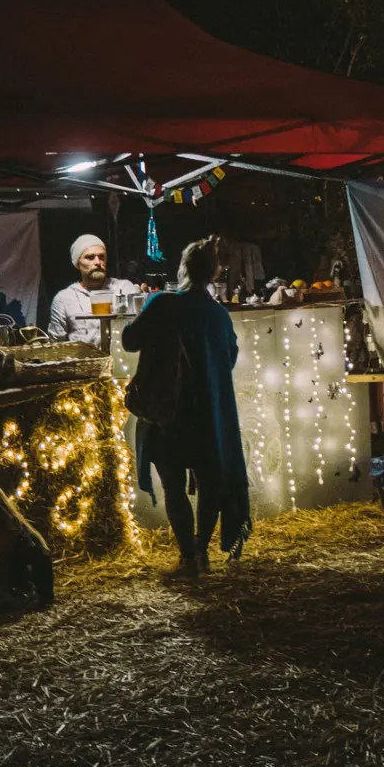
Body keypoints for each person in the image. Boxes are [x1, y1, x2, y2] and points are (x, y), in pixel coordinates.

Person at [122, 237, 250, 576]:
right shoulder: (218, 315)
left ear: (183, 268)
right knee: (209, 485)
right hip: (207, 415)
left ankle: (187, 556)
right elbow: (230, 357)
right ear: (214, 273)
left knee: (174, 486)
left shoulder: (162, 303)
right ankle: (201, 549)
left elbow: (130, 341)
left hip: (167, 415)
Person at [47, 233, 138, 342]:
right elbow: (57, 343)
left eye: (101, 257)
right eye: (90, 257)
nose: (98, 262)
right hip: (83, 353)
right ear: (78, 263)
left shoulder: (124, 288)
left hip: (119, 352)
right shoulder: (64, 299)